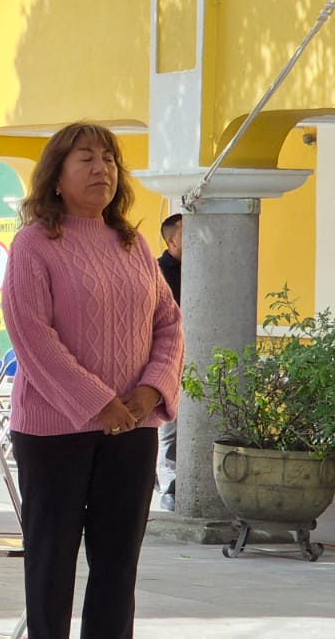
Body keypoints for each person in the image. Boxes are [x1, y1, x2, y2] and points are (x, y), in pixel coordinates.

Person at [1, 122, 183, 639]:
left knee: (117, 567)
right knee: (51, 565)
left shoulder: (132, 245)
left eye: (108, 158)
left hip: (132, 428)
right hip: (53, 431)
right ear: (55, 176)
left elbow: (169, 324)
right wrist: (98, 403)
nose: (101, 167)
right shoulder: (34, 245)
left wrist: (150, 391)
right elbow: (31, 334)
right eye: (85, 157)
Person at [156, 212, 183, 510]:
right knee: (170, 426)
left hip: (199, 355)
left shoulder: (202, 269)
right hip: (167, 359)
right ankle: (169, 485)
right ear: (171, 240)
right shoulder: (159, 272)